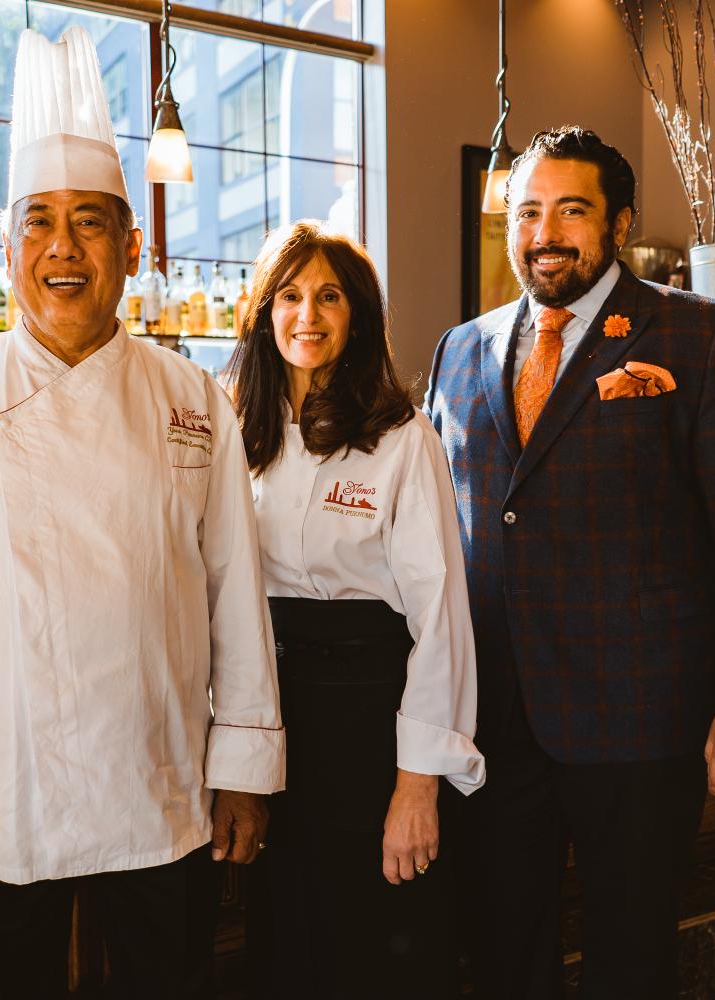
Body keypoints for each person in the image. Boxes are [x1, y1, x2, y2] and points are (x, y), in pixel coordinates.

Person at [0, 28, 284, 1000]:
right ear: (7, 248)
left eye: (90, 223)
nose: (63, 248)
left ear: (132, 247)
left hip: (160, 790)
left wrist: (245, 762)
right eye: (38, 222)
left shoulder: (194, 397)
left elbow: (235, 597)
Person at [426, 126, 715, 998]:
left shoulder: (701, 336)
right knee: (498, 944)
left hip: (639, 717)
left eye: (571, 209)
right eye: (528, 211)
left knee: (631, 955)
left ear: (620, 223)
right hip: (490, 717)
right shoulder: (460, 349)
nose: (545, 231)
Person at [231, 221, 485, 999]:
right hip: (269, 715)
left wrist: (417, 786)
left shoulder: (402, 440)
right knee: (287, 934)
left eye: (329, 297)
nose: (307, 314)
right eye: (290, 295)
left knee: (378, 940)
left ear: (359, 315)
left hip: (371, 720)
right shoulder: (234, 433)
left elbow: (440, 616)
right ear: (263, 313)